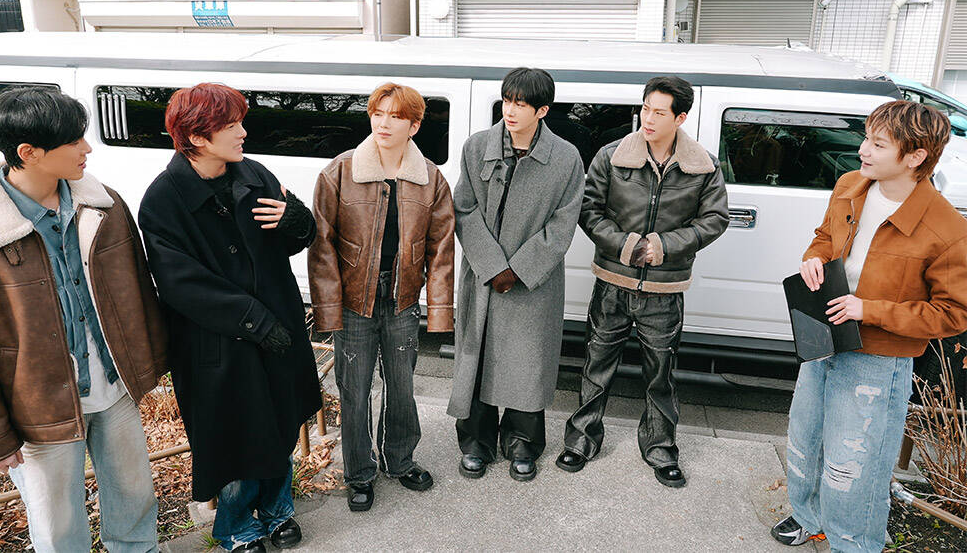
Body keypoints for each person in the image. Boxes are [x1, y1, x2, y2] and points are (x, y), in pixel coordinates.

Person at [0, 87, 167, 552]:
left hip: (115, 387)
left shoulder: (104, 204)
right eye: (74, 140)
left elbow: (140, 289)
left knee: (136, 502)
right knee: (58, 528)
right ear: (28, 153)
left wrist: (149, 364)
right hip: (36, 406)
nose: (87, 148)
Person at [771, 100, 967, 551]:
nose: (863, 150)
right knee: (805, 437)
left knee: (857, 461)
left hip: (878, 359)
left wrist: (869, 310)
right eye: (866, 138)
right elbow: (825, 237)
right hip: (824, 334)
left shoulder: (947, 228)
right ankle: (808, 516)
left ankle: (855, 543)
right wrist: (814, 257)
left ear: (916, 156)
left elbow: (953, 314)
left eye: (878, 144)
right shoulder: (850, 185)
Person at [138, 83, 321, 553]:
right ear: (197, 137)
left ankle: (278, 510)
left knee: (280, 422)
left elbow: (295, 235)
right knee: (236, 437)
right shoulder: (163, 199)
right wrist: (255, 320)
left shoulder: (253, 173)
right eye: (231, 125)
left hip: (277, 326)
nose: (243, 132)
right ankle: (236, 525)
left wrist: (297, 221)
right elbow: (180, 282)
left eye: (240, 121)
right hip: (217, 341)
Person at [556, 76, 729, 488]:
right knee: (596, 366)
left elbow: (715, 219)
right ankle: (581, 440)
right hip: (612, 283)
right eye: (646, 108)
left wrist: (663, 246)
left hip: (665, 291)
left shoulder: (703, 164)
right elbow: (589, 209)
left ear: (680, 118)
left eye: (659, 112)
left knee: (661, 374)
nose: (648, 118)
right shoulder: (612, 155)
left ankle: (661, 448)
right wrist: (628, 245)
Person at [308, 82, 455, 512]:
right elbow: (322, 244)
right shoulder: (341, 170)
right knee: (354, 389)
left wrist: (439, 310)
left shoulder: (430, 177)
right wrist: (328, 307)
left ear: (414, 125)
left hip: (402, 297)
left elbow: (441, 248)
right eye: (378, 113)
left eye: (396, 116)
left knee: (402, 385)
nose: (384, 123)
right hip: (355, 300)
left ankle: (400, 459)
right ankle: (358, 472)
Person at [448, 67, 584, 482]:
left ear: (542, 110)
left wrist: (520, 269)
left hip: (534, 282)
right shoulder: (477, 147)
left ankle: (523, 442)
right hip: (483, 275)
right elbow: (464, 208)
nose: (510, 110)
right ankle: (477, 442)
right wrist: (493, 266)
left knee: (528, 362)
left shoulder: (566, 158)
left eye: (521, 104)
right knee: (478, 356)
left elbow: (563, 224)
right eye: (507, 101)